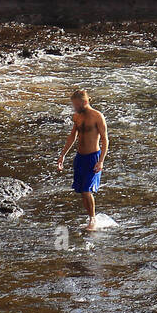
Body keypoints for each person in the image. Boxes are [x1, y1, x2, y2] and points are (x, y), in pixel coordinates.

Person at [57, 88, 109, 229]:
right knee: (81, 190)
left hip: (93, 157)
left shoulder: (97, 116)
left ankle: (93, 220)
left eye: (76, 104)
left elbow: (105, 140)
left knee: (87, 190)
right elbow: (72, 137)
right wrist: (63, 155)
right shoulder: (77, 117)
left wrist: (101, 161)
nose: (74, 107)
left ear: (84, 102)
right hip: (80, 158)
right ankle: (90, 217)